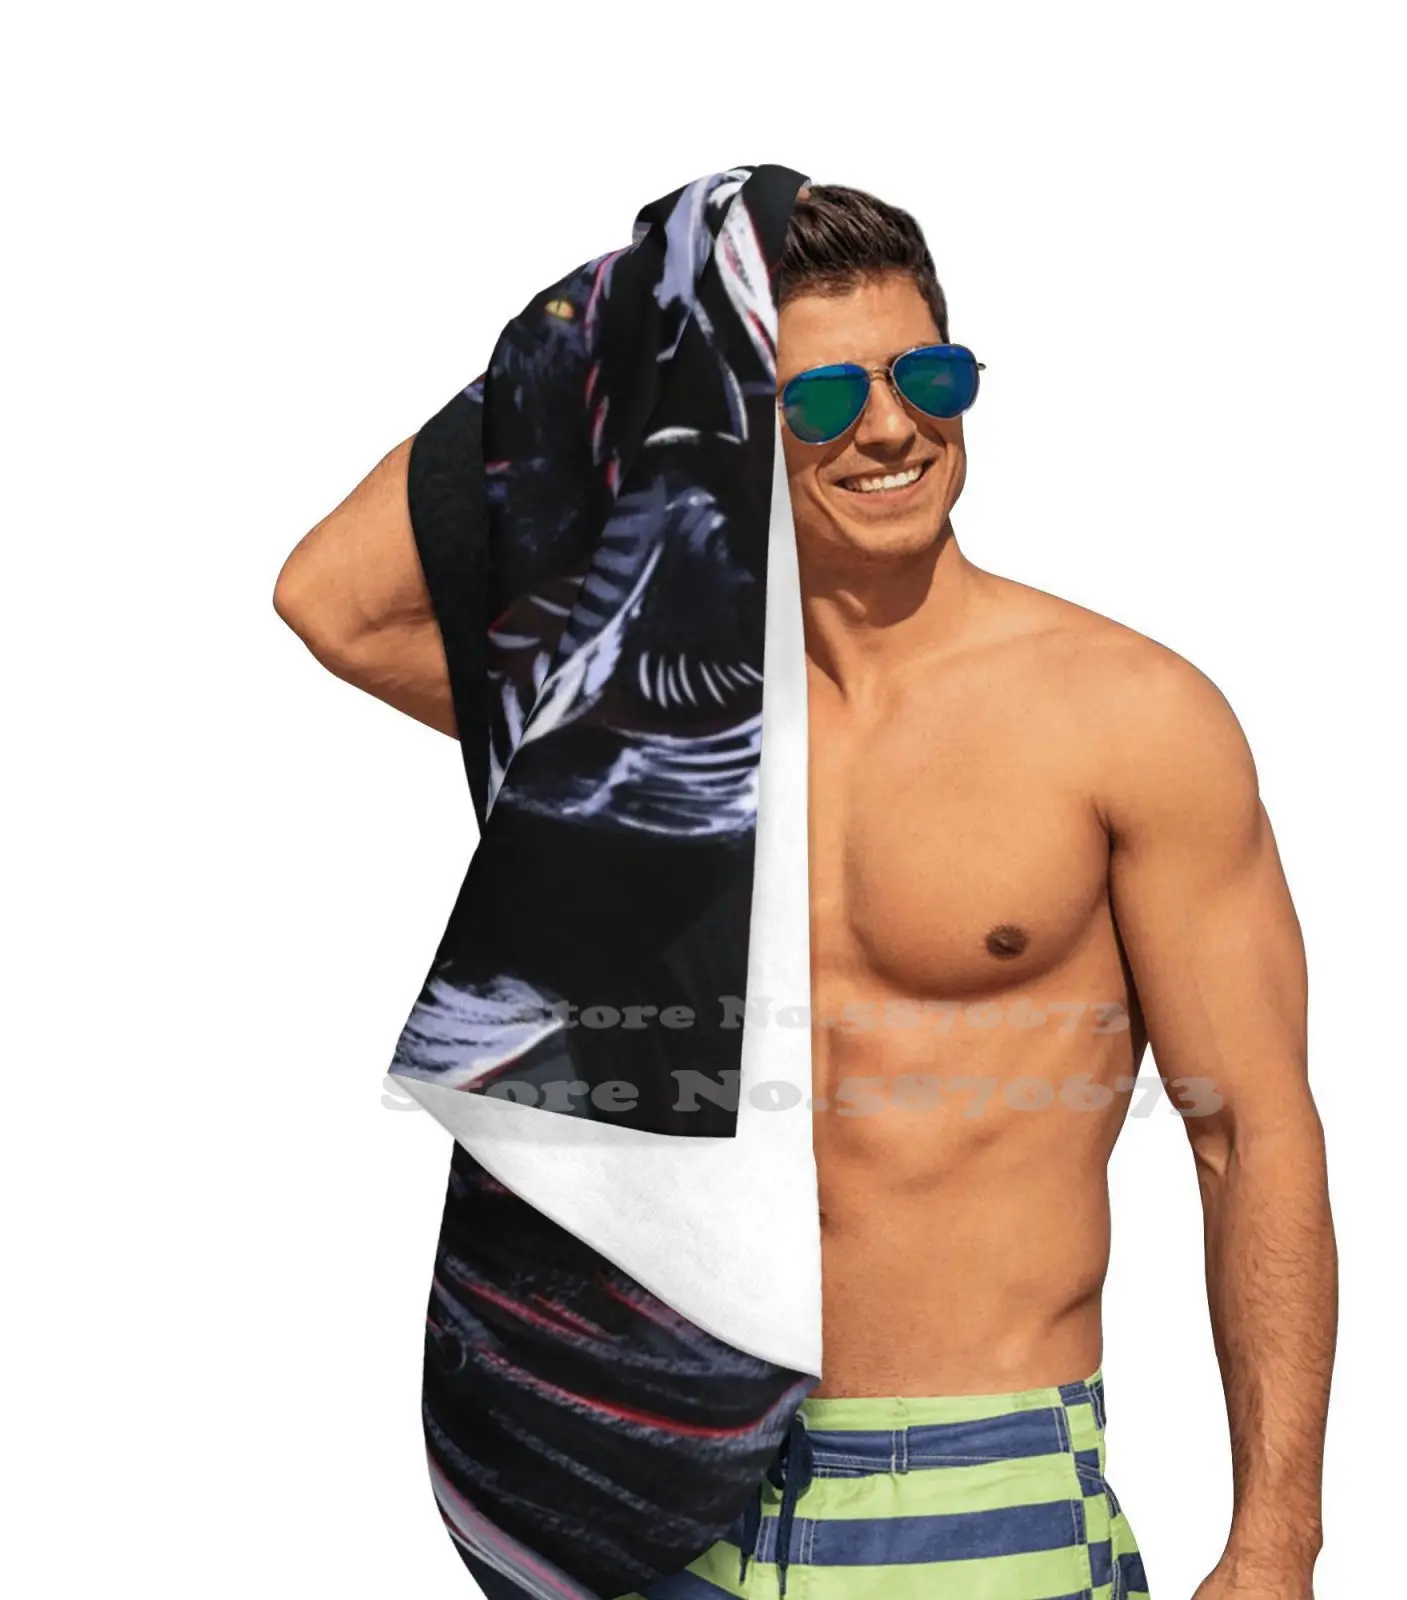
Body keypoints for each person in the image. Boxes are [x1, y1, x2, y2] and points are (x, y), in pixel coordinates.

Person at [275, 182, 1336, 1600]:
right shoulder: (641, 729)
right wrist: (653, 306)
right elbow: (334, 600)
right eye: (825, 395)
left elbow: (1250, 1133)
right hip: (649, 1500)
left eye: (928, 377)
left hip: (973, 1481)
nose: (890, 428)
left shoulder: (1126, 718)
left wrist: (1276, 1539)